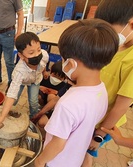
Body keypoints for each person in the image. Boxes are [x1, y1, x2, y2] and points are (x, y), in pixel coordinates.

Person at [34, 19, 119, 167]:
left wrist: (40, 160)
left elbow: (58, 144)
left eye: (63, 59)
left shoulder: (68, 104)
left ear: (71, 64)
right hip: (75, 158)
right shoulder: (101, 90)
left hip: (57, 162)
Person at [82, 0, 133, 166]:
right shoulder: (122, 43)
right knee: (82, 149)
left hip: (102, 122)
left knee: (86, 153)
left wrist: (99, 135)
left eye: (109, 31)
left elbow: (122, 106)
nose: (106, 37)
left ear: (132, 25)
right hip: (93, 112)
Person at [0, 32, 49, 134]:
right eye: (31, 53)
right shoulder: (19, 72)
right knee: (14, 100)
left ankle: (33, 119)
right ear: (21, 56)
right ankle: (8, 114)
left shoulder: (44, 56)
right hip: (22, 80)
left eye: (38, 50)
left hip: (36, 79)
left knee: (33, 101)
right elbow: (11, 94)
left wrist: (44, 72)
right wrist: (1, 117)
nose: (37, 54)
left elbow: (43, 65)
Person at [0, 0, 24, 86]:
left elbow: (20, 13)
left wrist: (19, 32)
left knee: (9, 60)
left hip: (8, 33)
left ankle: (11, 81)